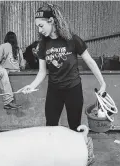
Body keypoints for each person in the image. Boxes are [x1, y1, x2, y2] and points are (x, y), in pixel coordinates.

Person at [18, 3, 107, 131]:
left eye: (41, 26)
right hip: (54, 91)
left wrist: (102, 83)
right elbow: (42, 72)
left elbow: (90, 62)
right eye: (37, 27)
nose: (39, 30)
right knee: (50, 126)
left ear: (51, 21)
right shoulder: (43, 44)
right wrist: (31, 86)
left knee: (75, 127)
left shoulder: (72, 39)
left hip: (73, 89)